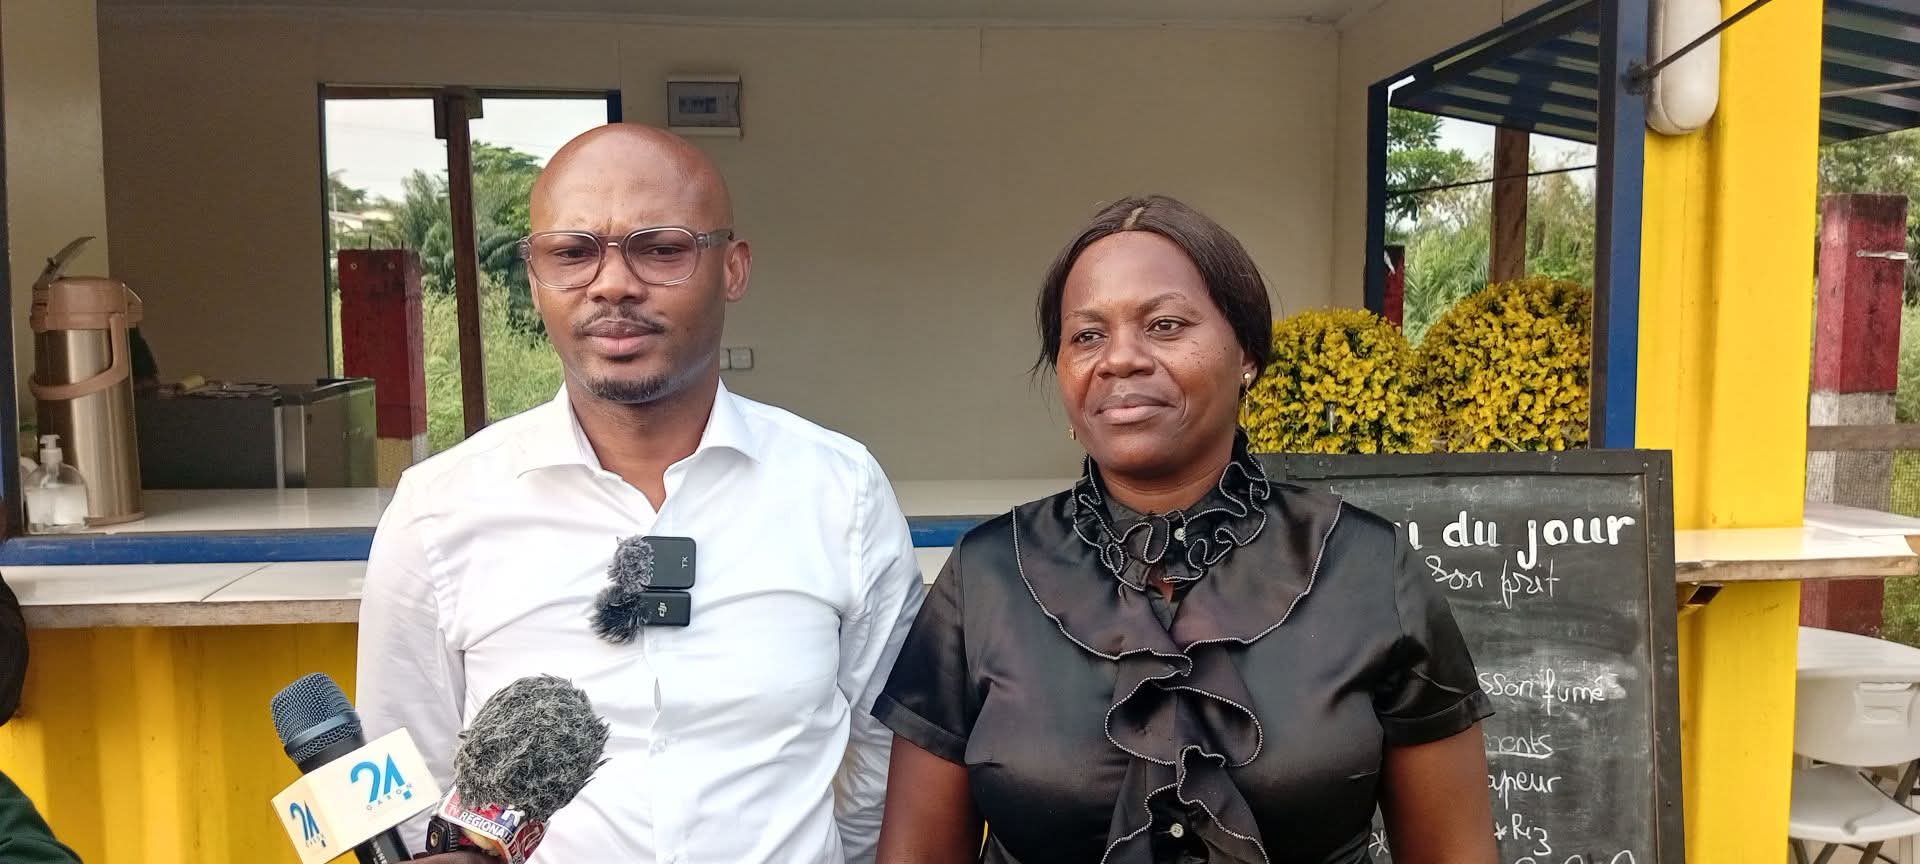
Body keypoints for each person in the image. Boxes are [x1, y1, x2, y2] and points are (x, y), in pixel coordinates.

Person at [357, 123, 926, 863]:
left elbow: (882, 756)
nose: (613, 284)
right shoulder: (439, 511)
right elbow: (410, 781)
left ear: (733, 269)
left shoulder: (840, 493)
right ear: (534, 277)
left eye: (660, 249)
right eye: (572, 253)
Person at [872, 195, 1498, 864]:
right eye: (1087, 336)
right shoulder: (986, 579)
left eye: (1165, 325)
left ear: (1247, 352)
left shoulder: (1367, 569)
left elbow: (1453, 852)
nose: (1120, 359)